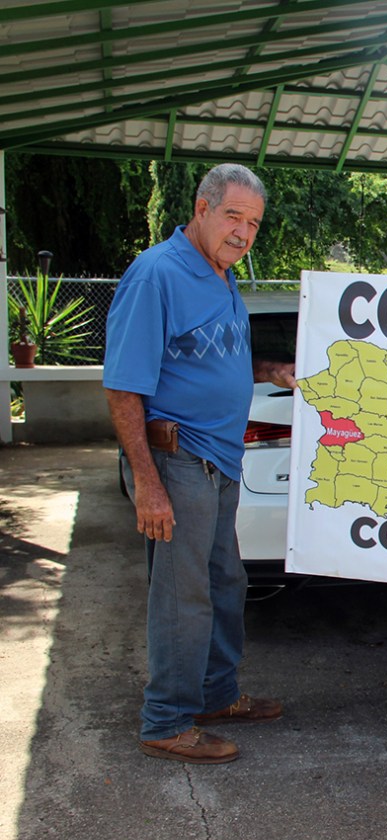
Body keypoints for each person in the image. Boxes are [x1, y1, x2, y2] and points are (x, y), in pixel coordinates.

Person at [104, 163, 296, 764]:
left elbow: (215, 358)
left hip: (223, 463)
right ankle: (165, 720)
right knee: (181, 594)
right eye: (234, 216)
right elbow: (123, 388)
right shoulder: (157, 275)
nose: (243, 232)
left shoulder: (223, 275)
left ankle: (215, 694)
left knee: (224, 583)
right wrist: (147, 483)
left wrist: (269, 373)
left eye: (254, 223)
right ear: (202, 207)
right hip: (180, 462)